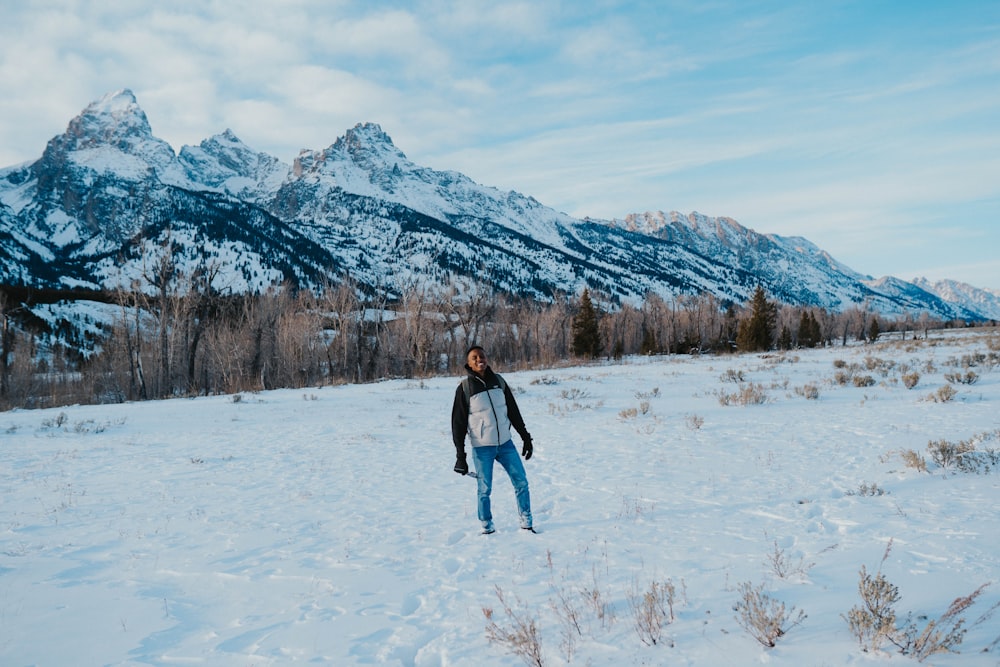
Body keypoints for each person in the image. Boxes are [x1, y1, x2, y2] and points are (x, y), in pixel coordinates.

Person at [451, 345, 536, 534]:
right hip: (482, 447)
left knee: (521, 482)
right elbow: (458, 425)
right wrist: (460, 456)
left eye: (482, 355)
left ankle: (526, 520)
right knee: (484, 489)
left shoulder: (499, 381)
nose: (479, 359)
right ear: (469, 363)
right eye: (474, 357)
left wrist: (525, 437)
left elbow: (513, 411)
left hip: (506, 444)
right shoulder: (464, 388)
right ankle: (487, 525)